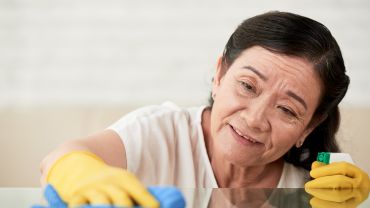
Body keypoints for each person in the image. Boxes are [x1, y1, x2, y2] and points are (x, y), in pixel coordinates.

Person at [39, 11, 370, 207]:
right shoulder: (160, 132)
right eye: (247, 86)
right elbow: (64, 156)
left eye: (286, 109)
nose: (254, 119)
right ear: (220, 75)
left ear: (310, 127)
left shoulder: (307, 194)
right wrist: (78, 172)